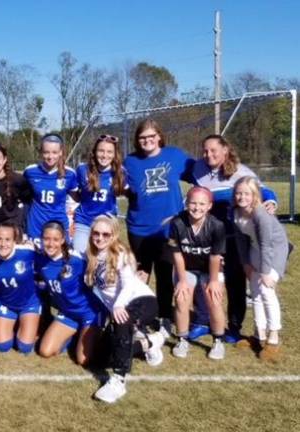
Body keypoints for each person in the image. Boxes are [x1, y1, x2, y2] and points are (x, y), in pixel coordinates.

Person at [190, 134, 278, 343]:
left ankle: (234, 326)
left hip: (233, 236)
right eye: (205, 150)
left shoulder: (241, 172)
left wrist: (272, 201)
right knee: (204, 278)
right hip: (206, 236)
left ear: (225, 150)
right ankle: (203, 321)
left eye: (213, 150)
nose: (208, 154)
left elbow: (265, 191)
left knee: (235, 281)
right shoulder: (197, 169)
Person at [124, 119, 194, 335]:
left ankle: (164, 317)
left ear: (159, 137)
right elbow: (115, 182)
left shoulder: (175, 156)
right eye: (142, 137)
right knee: (141, 274)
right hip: (139, 229)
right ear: (137, 140)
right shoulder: (130, 161)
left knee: (164, 276)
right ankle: (140, 317)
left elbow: (202, 174)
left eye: (151, 136)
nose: (147, 140)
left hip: (167, 230)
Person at [88, 215, 165, 403]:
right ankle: (149, 342)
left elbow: (129, 283)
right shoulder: (90, 255)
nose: (100, 238)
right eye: (96, 233)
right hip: (121, 307)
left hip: (142, 300)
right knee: (99, 360)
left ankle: (119, 381)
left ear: (114, 235)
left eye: (106, 234)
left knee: (122, 320)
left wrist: (118, 305)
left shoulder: (119, 252)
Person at [233, 176, 290, 361]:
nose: (242, 197)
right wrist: (246, 264)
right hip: (256, 250)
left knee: (267, 291)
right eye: (238, 193)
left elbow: (267, 245)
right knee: (255, 292)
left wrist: (266, 273)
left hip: (274, 252)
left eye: (246, 193)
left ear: (255, 194)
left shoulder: (261, 215)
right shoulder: (236, 212)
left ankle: (273, 338)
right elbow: (241, 241)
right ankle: (259, 335)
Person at [168, 187, 226, 360]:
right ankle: (182, 339)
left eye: (202, 204)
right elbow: (177, 254)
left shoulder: (217, 226)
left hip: (210, 269)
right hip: (186, 268)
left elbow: (215, 256)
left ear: (209, 206)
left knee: (214, 299)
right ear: (186, 203)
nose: (197, 207)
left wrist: (214, 281)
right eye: (193, 202)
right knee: (181, 299)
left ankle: (218, 341)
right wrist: (182, 280)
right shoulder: (177, 223)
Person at [35, 221, 101, 365]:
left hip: (88, 313)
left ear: (63, 240)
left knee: (83, 360)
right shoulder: (40, 259)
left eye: (55, 239)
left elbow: (100, 271)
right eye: (46, 239)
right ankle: (75, 335)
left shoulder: (77, 259)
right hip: (68, 313)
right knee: (45, 351)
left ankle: (96, 332)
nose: (50, 244)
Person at [0, 223, 40, 354]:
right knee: (3, 347)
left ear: (15, 241)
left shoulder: (28, 252)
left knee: (24, 347)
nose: (3, 244)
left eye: (8, 239)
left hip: (29, 303)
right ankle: (11, 326)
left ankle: (31, 326)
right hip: (5, 304)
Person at [73, 134, 127, 254]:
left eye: (109, 152)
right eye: (101, 151)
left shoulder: (120, 172)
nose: (104, 155)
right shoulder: (82, 170)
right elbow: (75, 195)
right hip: (84, 221)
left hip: (107, 223)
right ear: (94, 152)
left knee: (105, 262)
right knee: (78, 257)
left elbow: (127, 193)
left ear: (115, 154)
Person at [23, 134, 78, 243]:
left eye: (54, 152)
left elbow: (77, 200)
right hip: (35, 226)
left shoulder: (70, 174)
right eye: (46, 152)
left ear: (61, 152)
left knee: (59, 259)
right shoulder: (30, 172)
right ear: (41, 152)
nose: (50, 156)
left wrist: (74, 221)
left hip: (59, 225)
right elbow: (22, 197)